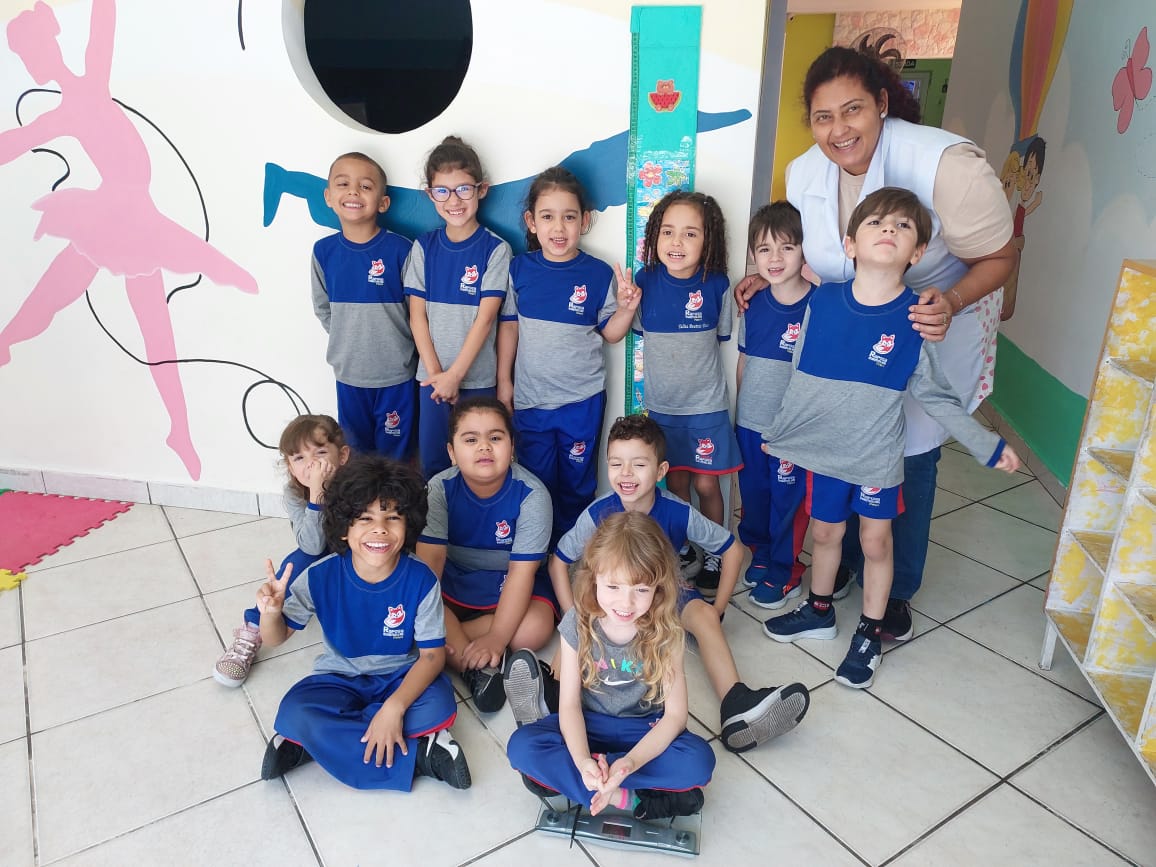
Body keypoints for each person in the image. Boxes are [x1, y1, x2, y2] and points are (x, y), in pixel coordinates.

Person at [737, 46, 1016, 643]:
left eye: (853, 110)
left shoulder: (944, 164)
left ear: (882, 104)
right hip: (843, 339)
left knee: (908, 453)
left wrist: (951, 302)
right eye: (823, 117)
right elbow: (809, 256)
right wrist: (771, 276)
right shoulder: (804, 171)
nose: (838, 130)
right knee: (838, 463)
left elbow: (1000, 255)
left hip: (924, 326)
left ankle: (893, 595)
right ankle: (833, 577)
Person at [761, 188, 1022, 689]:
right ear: (849, 243)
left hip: (876, 456)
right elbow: (800, 372)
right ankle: (818, 611)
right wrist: (783, 433)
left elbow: (937, 396)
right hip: (825, 451)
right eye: (876, 222)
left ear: (917, 252)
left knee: (875, 541)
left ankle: (868, 632)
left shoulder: (914, 316)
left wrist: (985, 444)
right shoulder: (823, 300)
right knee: (825, 534)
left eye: (902, 226)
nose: (888, 230)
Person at [0, 0, 259, 480]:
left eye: (30, 52)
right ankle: (8, 340)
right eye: (24, 57)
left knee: (150, 322)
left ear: (49, 45)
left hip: (130, 217)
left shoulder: (87, 89)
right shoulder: (70, 105)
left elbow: (102, 26)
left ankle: (179, 429)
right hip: (118, 215)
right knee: (133, 313)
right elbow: (15, 142)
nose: (31, 63)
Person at [520, 414, 808, 753]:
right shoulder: (598, 513)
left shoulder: (677, 510)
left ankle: (736, 704)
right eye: (616, 464)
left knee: (704, 617)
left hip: (665, 593)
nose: (626, 474)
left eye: (639, 464)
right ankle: (549, 703)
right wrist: (574, 619)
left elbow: (732, 550)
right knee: (573, 656)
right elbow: (559, 562)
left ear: (660, 471)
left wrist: (717, 608)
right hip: (613, 601)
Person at [256, 455, 470, 791]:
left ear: (409, 524)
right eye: (365, 518)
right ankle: (420, 756)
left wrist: (394, 707)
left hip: (400, 676)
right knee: (294, 711)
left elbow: (432, 656)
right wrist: (270, 613)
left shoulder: (422, 579)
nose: (379, 529)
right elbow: (275, 637)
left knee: (439, 705)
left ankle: (314, 743)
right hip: (338, 678)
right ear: (344, 528)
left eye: (393, 517)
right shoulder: (320, 575)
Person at [506, 511, 716, 820]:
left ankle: (594, 786)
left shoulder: (667, 631)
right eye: (613, 587)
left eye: (641, 589)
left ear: (658, 588)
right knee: (521, 747)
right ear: (594, 579)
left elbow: (674, 717)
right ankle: (626, 796)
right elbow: (570, 707)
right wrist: (582, 761)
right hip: (589, 724)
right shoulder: (576, 623)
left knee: (699, 761)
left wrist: (628, 764)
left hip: (644, 729)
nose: (626, 603)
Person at [497, 167, 637, 542]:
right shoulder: (518, 269)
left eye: (569, 217)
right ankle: (539, 552)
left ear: (584, 221)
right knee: (536, 482)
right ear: (531, 222)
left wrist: (626, 309)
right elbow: (509, 328)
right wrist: (504, 382)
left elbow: (610, 334)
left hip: (582, 401)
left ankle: (574, 550)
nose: (558, 228)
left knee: (577, 483)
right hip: (531, 401)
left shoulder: (598, 273)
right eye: (547, 217)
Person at [615, 191, 742, 594]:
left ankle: (716, 551)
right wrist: (624, 303)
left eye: (690, 233)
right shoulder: (645, 281)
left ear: (709, 240)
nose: (676, 242)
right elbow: (635, 329)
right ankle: (684, 549)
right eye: (668, 231)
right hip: (663, 409)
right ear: (654, 236)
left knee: (707, 485)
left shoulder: (718, 285)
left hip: (706, 407)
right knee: (676, 484)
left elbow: (722, 335)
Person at [415, 397, 555, 713]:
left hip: (510, 584)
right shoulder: (438, 489)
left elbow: (521, 574)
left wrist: (498, 637)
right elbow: (429, 567)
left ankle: (449, 646)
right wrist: (425, 612)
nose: (484, 447)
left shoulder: (532, 494)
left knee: (533, 630)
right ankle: (476, 672)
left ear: (512, 446)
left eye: (495, 437)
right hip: (456, 581)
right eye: (470, 440)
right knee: (421, 604)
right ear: (452, 452)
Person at [213, 414, 350, 687]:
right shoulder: (294, 493)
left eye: (320, 453)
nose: (311, 463)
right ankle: (253, 629)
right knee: (298, 562)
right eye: (299, 458)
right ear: (289, 466)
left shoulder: (356, 483)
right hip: (322, 554)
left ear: (343, 455)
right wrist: (317, 496)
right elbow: (312, 545)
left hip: (360, 555)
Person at [404, 136, 511, 479]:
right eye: (442, 191)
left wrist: (455, 376)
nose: (454, 200)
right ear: (429, 194)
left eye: (463, 189)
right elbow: (417, 316)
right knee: (434, 464)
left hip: (477, 380)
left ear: (482, 190)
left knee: (480, 466)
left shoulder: (496, 249)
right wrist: (438, 377)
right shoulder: (424, 247)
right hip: (431, 381)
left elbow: (486, 319)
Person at [735, 202, 815, 611]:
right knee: (755, 495)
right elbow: (743, 362)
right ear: (753, 255)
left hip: (792, 430)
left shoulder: (819, 307)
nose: (775, 258)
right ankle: (762, 553)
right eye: (764, 249)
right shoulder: (753, 304)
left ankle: (787, 569)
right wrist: (741, 414)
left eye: (787, 247)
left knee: (788, 502)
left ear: (805, 250)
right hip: (750, 422)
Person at [311, 152, 416, 459]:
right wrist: (349, 339)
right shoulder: (323, 251)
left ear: (383, 203)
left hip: (396, 377)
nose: (354, 192)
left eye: (366, 186)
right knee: (356, 454)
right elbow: (323, 308)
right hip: (349, 376)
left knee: (396, 455)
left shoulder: (401, 249)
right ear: (328, 197)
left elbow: (417, 312)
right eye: (343, 184)